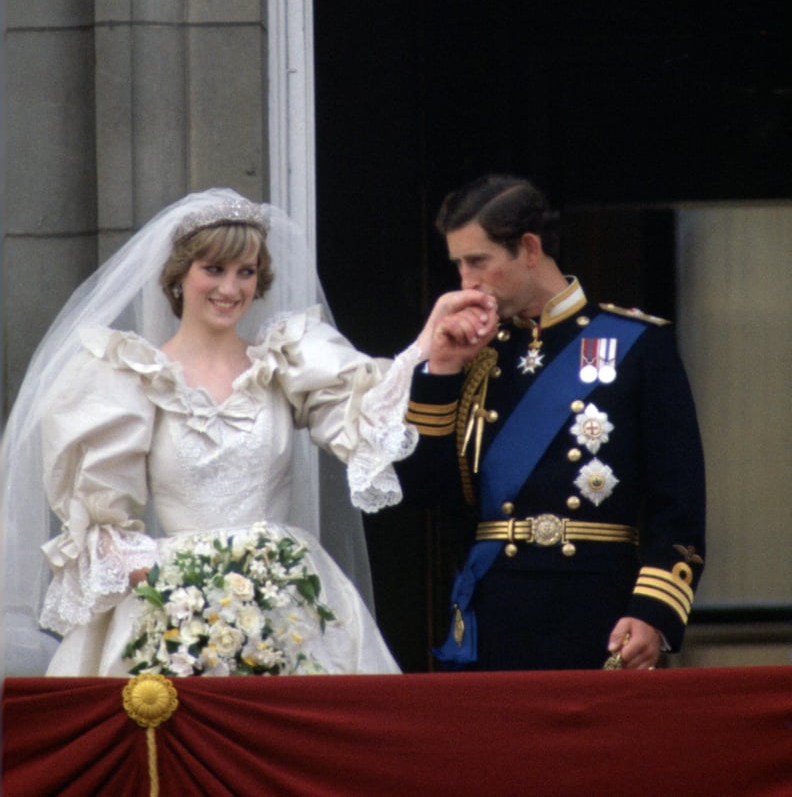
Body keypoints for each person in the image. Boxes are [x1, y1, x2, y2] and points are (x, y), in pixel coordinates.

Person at [1, 188, 495, 677]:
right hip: (173, 610)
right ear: (178, 277)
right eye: (213, 270)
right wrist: (178, 591)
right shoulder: (127, 376)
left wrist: (430, 347)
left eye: (246, 272)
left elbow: (371, 421)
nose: (231, 289)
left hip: (288, 597)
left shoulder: (288, 360)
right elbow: (99, 522)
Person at [396, 174, 706, 672]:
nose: (465, 282)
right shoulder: (472, 355)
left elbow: (679, 503)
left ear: (529, 248)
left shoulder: (637, 345)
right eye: (458, 264)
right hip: (495, 614)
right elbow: (424, 495)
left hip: (599, 611)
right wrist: (440, 372)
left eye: (478, 262)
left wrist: (652, 611)